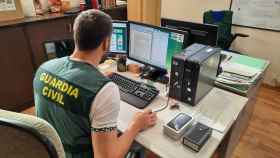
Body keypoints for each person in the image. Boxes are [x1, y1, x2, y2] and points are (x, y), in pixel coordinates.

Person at [33, 9, 157, 158]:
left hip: (54, 152)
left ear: (76, 35)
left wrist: (94, 77)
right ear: (106, 43)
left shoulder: (44, 69)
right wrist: (136, 125)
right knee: (139, 143)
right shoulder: (103, 90)